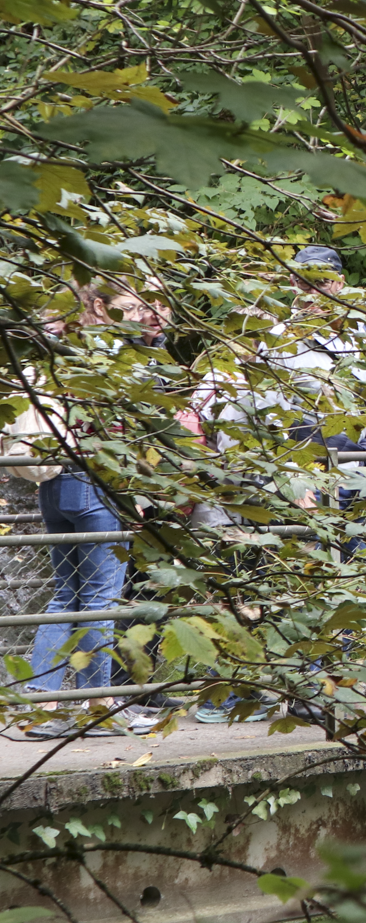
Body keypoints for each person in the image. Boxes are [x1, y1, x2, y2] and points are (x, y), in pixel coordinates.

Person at [22, 282, 160, 736]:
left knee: (66, 599)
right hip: (95, 486)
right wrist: (134, 492)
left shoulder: (60, 346)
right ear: (99, 306)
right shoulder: (106, 354)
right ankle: (97, 707)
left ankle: (45, 707)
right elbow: (114, 433)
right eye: (130, 307)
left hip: (54, 486)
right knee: (99, 602)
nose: (140, 316)